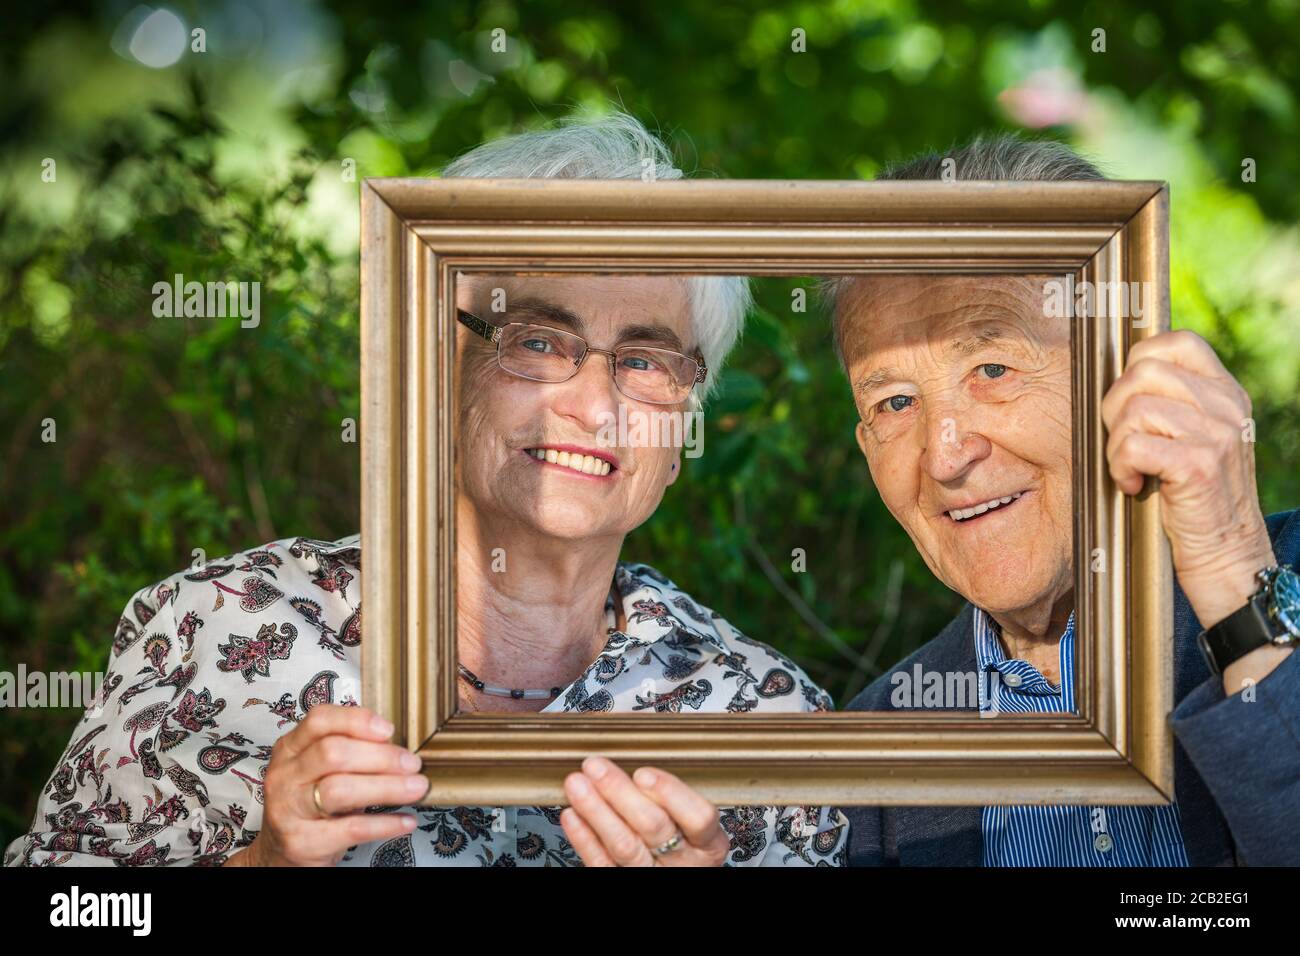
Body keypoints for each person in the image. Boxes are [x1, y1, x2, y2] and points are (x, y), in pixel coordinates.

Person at [4, 112, 847, 868]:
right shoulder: (217, 628)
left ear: (683, 434)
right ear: (432, 366)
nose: (593, 407)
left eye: (645, 362)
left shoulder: (768, 716)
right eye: (540, 341)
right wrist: (263, 865)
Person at [831, 135, 1299, 866]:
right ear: (866, 448)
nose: (946, 456)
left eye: (993, 367)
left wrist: (1237, 579)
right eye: (895, 401)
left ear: (1130, 373)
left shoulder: (1278, 576)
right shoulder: (875, 762)